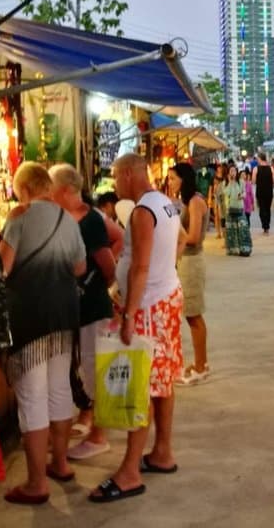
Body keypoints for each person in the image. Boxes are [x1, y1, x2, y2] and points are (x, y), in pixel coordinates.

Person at [89, 153, 185, 504]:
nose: (114, 184)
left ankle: (129, 472)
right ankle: (162, 452)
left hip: (149, 307)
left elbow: (140, 268)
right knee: (162, 381)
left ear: (130, 173)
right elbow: (180, 241)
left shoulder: (144, 211)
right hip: (167, 297)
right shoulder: (166, 204)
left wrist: (129, 314)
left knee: (141, 385)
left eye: (116, 176)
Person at [0, 162, 86, 505]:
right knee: (59, 389)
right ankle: (60, 464)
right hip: (64, 314)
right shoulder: (68, 217)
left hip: (31, 317)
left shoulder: (19, 216)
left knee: (32, 397)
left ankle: (36, 483)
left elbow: (1, 267)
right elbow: (80, 267)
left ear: (23, 189)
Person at [49, 164, 117, 462]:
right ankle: (90, 426)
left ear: (64, 190)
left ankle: (99, 436)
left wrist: (100, 283)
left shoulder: (90, 220)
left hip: (92, 306)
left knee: (94, 369)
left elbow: (108, 262)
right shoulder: (65, 218)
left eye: (51, 188)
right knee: (83, 369)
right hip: (73, 307)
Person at [168, 162, 210, 385]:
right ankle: (199, 362)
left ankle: (201, 365)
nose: (170, 182)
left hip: (192, 262)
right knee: (191, 314)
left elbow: (193, 237)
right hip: (186, 261)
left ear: (184, 179)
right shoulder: (187, 201)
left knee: (194, 315)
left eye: (173, 178)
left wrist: (173, 225)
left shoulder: (195, 202)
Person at [220, 164, 250, 256]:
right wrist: (230, 182)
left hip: (240, 208)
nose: (233, 173)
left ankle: (245, 249)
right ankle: (232, 249)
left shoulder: (241, 182)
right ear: (228, 173)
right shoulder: (224, 183)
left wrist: (242, 195)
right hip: (230, 209)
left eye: (234, 171)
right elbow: (226, 193)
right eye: (231, 171)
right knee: (231, 230)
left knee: (243, 229)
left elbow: (244, 192)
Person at [252, 152, 274, 235]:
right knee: (268, 208)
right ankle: (267, 226)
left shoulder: (256, 169)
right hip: (269, 191)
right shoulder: (271, 168)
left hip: (260, 191)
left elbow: (253, 181)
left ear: (259, 158)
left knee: (262, 209)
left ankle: (265, 227)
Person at [212, 163, 227, 239]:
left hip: (223, 197)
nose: (219, 169)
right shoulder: (215, 176)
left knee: (222, 215)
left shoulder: (225, 177)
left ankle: (224, 232)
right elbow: (212, 186)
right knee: (216, 215)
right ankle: (218, 233)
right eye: (218, 167)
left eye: (220, 167)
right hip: (216, 196)